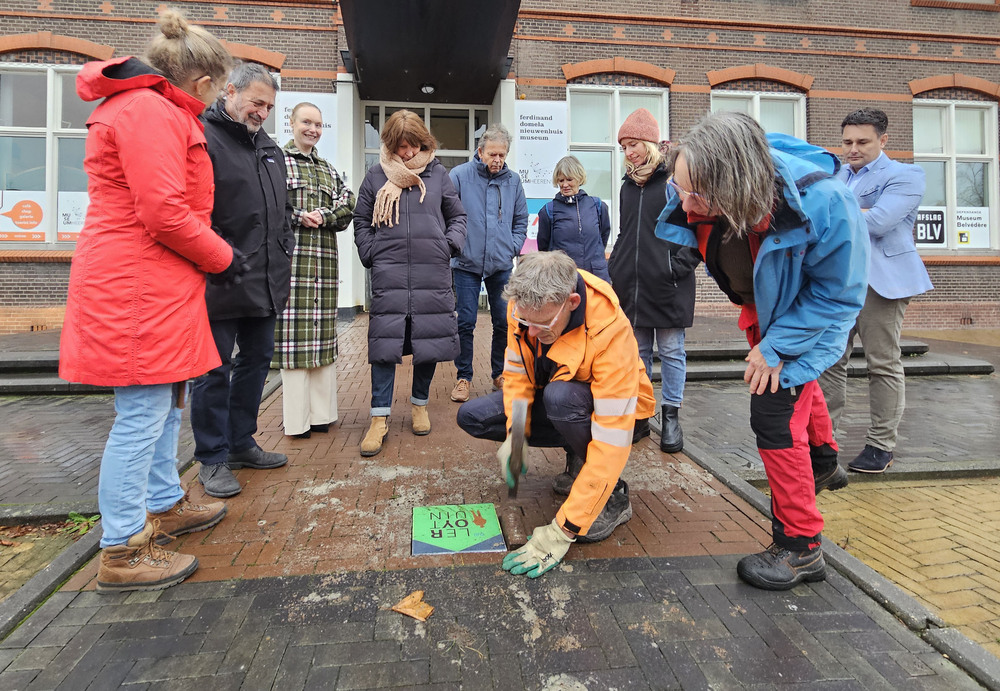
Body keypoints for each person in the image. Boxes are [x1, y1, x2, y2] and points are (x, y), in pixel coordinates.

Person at [59, 10, 243, 591]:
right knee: (140, 414)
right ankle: (122, 547)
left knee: (163, 404)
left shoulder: (145, 107)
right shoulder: (150, 112)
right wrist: (223, 257)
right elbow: (162, 211)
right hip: (138, 285)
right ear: (204, 83)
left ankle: (164, 502)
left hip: (150, 282)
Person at [654, 112, 869, 590]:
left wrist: (777, 347)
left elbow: (838, 297)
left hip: (806, 320)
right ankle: (823, 459)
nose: (685, 207)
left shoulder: (828, 204)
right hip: (763, 306)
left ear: (736, 184)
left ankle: (801, 547)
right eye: (679, 189)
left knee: (772, 415)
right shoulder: (704, 183)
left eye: (696, 195)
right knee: (792, 393)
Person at [456, 251, 656, 578]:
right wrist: (517, 437)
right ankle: (578, 458)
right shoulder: (524, 306)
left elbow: (611, 440)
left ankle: (614, 495)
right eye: (526, 324)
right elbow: (518, 375)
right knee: (473, 416)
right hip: (562, 400)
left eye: (542, 325)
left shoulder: (610, 329)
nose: (531, 333)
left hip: (621, 418)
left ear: (572, 302)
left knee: (560, 398)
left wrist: (563, 531)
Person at [191, 62, 295, 498]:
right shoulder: (203, 136)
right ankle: (211, 458)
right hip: (219, 281)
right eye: (256, 103)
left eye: (269, 106)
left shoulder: (267, 146)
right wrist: (221, 258)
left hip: (265, 281)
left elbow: (277, 211)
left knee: (256, 363)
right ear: (229, 92)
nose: (262, 113)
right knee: (213, 371)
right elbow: (194, 212)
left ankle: (241, 442)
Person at [818, 108, 932, 474]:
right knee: (830, 361)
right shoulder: (836, 175)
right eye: (847, 141)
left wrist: (834, 212)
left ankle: (881, 445)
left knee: (882, 363)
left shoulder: (905, 175)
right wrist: (857, 210)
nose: (853, 149)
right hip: (837, 281)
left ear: (883, 140)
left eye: (862, 142)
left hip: (881, 282)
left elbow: (880, 222)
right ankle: (824, 440)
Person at [353, 109, 467, 457]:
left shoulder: (438, 174)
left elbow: (458, 216)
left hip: (431, 273)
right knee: (385, 347)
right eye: (400, 146)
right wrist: (371, 252)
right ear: (389, 144)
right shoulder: (375, 176)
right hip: (389, 275)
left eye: (413, 145)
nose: (406, 153)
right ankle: (379, 417)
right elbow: (361, 220)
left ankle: (419, 405)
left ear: (423, 142)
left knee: (428, 344)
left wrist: (446, 245)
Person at [608, 108, 700, 454]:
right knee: (639, 352)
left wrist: (678, 266)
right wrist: (615, 269)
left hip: (669, 283)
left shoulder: (675, 180)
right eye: (624, 147)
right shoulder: (627, 187)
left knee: (673, 351)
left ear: (649, 142)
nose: (629, 152)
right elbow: (626, 233)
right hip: (633, 284)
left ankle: (672, 417)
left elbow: (698, 229)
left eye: (634, 144)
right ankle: (642, 415)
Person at [273, 102, 356, 439]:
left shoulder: (328, 168)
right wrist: (298, 217)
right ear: (292, 123)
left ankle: (322, 415)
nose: (313, 129)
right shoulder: (277, 162)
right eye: (307, 122)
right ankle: (297, 422)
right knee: (293, 346)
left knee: (322, 341)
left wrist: (324, 216)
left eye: (318, 124)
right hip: (291, 266)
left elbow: (348, 202)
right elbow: (269, 205)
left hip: (324, 266)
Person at [448, 123, 528, 404]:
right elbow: (446, 216)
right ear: (480, 151)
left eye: (502, 155)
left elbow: (520, 220)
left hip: (500, 264)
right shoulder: (458, 176)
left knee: (504, 323)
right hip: (466, 263)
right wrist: (454, 245)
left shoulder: (513, 181)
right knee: (465, 322)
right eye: (492, 154)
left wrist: (512, 247)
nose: (497, 160)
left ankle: (500, 374)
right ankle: (463, 377)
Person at [536, 156, 611, 282]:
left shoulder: (597, 206)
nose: (565, 185)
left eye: (569, 179)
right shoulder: (548, 210)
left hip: (596, 277)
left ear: (579, 178)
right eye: (561, 180)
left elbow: (603, 236)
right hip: (563, 278)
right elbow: (543, 248)